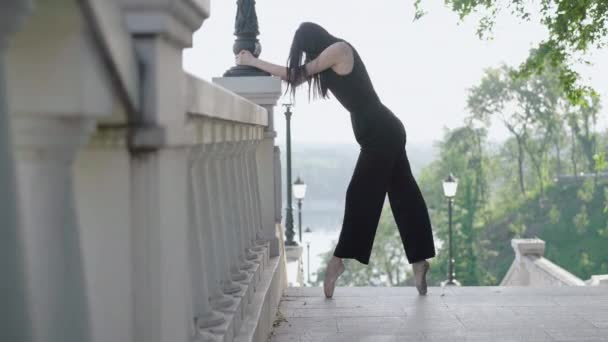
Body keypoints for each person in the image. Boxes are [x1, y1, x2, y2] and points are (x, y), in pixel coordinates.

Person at [236, 22, 436, 297]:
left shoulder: (338, 50)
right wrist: (258, 64)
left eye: (306, 50)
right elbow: (292, 77)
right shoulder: (325, 60)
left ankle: (338, 261)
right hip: (379, 133)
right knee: (404, 194)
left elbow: (295, 74)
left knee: (360, 193)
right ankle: (419, 260)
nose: (306, 56)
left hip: (382, 131)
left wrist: (252, 60)